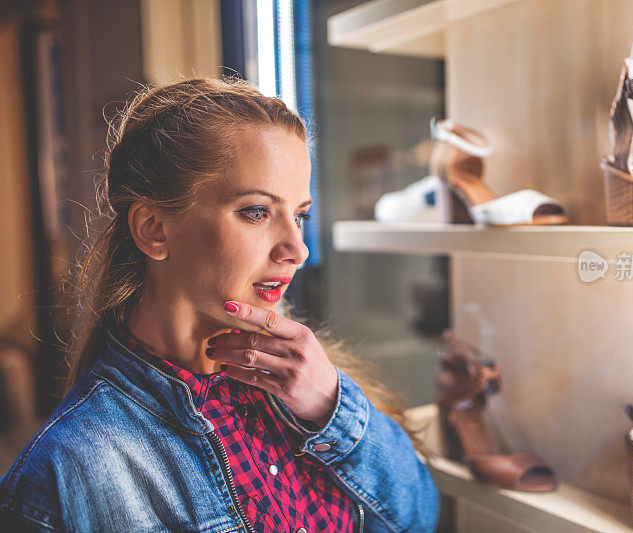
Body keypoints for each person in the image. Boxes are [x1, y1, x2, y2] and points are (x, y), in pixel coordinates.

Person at [0, 77, 440, 532]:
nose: (297, 248)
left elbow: (419, 517)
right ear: (153, 228)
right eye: (256, 212)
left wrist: (330, 404)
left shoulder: (306, 382)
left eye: (300, 215)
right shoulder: (72, 469)